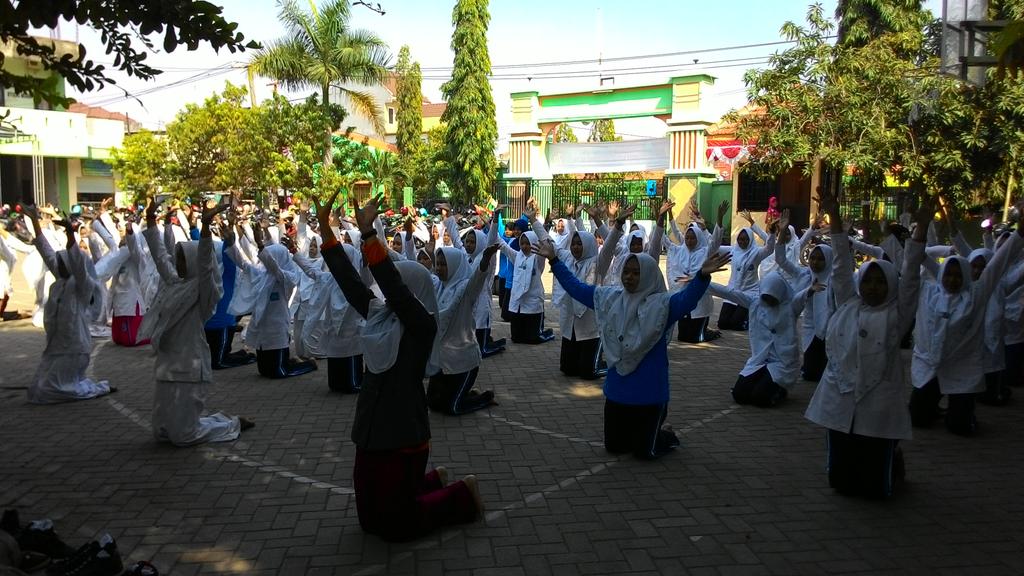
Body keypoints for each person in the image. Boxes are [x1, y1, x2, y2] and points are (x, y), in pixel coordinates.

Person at [314, 192, 482, 542]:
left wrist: (370, 235)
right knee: (369, 521)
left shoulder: (422, 324)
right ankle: (431, 481)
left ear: (413, 290)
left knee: (395, 524)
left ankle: (462, 495)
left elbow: (396, 289)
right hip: (369, 430)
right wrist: (327, 235)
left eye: (398, 288)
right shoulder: (379, 315)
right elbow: (350, 284)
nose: (389, 294)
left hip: (404, 433)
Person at [536, 236, 732, 459]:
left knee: (644, 452)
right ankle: (648, 431)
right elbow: (577, 288)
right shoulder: (610, 298)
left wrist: (702, 276)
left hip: (650, 394)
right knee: (615, 447)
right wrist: (554, 260)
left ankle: (664, 434)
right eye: (626, 272)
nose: (629, 277)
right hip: (618, 392)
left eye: (636, 273)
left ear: (649, 275)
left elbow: (687, 299)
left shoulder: (662, 305)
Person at [803, 191, 930, 498]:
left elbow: (911, 276)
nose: (873, 287)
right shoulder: (848, 303)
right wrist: (833, 219)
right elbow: (841, 266)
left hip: (879, 399)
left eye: (881, 282)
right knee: (842, 484)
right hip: (840, 393)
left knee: (875, 486)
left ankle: (893, 463)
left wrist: (921, 230)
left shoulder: (897, 314)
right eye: (869, 281)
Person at [139, 199, 251, 445]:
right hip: (167, 365)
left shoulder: (202, 292)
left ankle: (232, 424)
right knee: (162, 433)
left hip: (189, 368)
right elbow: (160, 256)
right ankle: (215, 420)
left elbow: (205, 265)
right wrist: (150, 220)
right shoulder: (174, 284)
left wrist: (206, 226)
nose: (176, 263)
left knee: (184, 436)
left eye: (181, 259)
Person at [908, 202, 1024, 436]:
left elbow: (1000, 261)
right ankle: (935, 407)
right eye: (948, 275)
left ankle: (963, 411)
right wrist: (921, 226)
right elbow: (913, 261)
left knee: (960, 426)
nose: (952, 280)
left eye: (957, 275)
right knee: (918, 418)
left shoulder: (976, 295)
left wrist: (1021, 228)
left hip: (962, 366)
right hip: (930, 365)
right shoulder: (928, 293)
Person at [22, 205, 113, 404]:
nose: (59, 265)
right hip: (56, 345)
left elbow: (78, 263)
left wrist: (71, 235)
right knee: (37, 390)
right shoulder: (61, 281)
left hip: (74, 347)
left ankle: (85, 388)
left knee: (48, 391)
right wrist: (35, 221)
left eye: (64, 263)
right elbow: (46, 251)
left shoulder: (82, 284)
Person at [228, 220, 317, 379]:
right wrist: (231, 244)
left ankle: (308, 365)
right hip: (262, 330)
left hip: (276, 331)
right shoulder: (262, 276)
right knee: (264, 371)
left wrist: (261, 246)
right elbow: (244, 265)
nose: (264, 260)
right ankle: (291, 361)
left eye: (269, 256)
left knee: (278, 372)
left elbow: (275, 269)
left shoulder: (288, 277)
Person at [534, 207, 605, 378]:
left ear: (589, 245)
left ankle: (612, 365)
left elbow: (610, 245)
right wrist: (533, 221)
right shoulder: (567, 258)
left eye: (580, 243)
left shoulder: (598, 262)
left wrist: (598, 220)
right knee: (568, 369)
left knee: (588, 372)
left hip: (590, 325)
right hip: (570, 321)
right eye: (573, 243)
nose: (575, 247)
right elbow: (549, 242)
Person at [667, 201, 727, 343]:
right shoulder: (681, 250)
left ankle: (709, 333)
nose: (689, 240)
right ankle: (704, 331)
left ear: (699, 238)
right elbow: (673, 234)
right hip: (686, 298)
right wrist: (666, 216)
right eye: (687, 237)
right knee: (683, 336)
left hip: (701, 301)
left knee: (694, 338)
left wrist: (719, 219)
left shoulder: (705, 251)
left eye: (693, 237)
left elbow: (716, 241)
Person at [497, 201, 554, 344]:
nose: (524, 246)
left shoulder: (538, 258)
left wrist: (533, 220)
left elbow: (546, 241)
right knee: (516, 339)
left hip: (532, 304)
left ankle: (547, 333)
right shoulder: (517, 256)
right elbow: (501, 244)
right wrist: (493, 221)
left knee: (532, 340)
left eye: (528, 243)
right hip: (517, 304)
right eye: (522, 243)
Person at [716, 212, 776, 331]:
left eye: (745, 240)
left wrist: (772, 233)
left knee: (736, 324)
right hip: (733, 290)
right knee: (722, 324)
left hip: (749, 292)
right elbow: (714, 246)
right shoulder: (733, 250)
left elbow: (770, 248)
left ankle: (751, 318)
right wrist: (719, 221)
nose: (742, 242)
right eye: (740, 239)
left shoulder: (756, 252)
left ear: (750, 240)